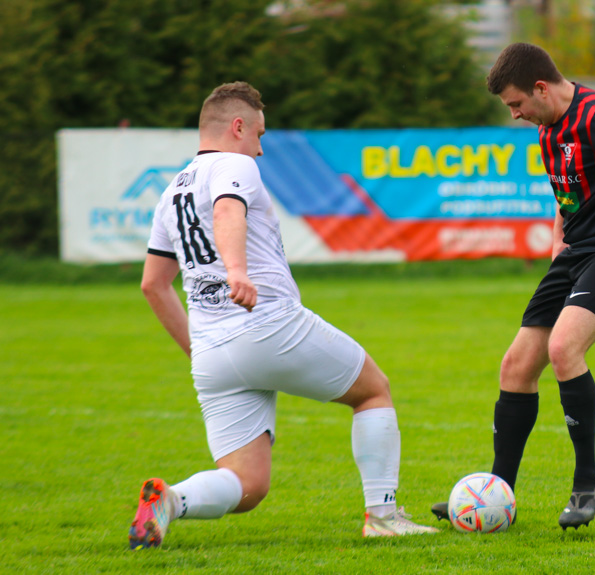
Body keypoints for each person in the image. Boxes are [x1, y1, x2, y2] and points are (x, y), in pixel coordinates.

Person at [130, 81, 438, 548]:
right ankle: (384, 515)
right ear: (238, 127)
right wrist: (237, 272)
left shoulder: (170, 192)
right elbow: (228, 212)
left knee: (247, 484)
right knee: (373, 391)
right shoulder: (234, 163)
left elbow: (153, 284)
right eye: (259, 134)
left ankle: (171, 500)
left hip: (213, 352)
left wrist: (198, 350)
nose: (259, 149)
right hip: (266, 322)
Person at [431, 43, 595, 530]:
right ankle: (496, 494)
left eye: (517, 104)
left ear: (541, 89)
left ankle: (587, 482)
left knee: (565, 349)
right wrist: (557, 244)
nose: (516, 114)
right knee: (516, 365)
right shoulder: (548, 130)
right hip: (577, 253)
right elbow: (567, 192)